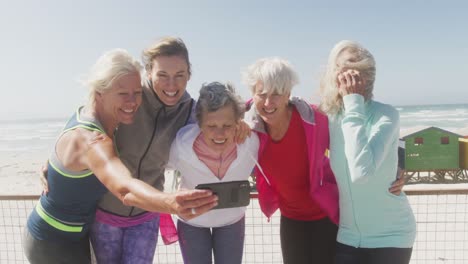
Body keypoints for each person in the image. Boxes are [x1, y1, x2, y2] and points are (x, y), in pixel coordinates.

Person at [24, 49, 217, 264]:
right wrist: (170, 202)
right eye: (123, 94)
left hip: (75, 235)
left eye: (137, 92)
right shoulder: (93, 140)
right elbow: (124, 188)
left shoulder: (89, 113)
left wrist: (51, 163)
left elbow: (66, 153)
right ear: (100, 92)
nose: (133, 102)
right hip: (53, 241)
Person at [319, 40, 416, 264]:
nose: (347, 77)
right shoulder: (330, 117)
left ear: (368, 77)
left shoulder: (386, 114)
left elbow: (361, 173)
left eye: (354, 71)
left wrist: (354, 102)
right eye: (342, 69)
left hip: (392, 235)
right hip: (349, 235)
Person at [242, 57, 339, 264]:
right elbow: (216, 121)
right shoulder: (248, 127)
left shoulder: (314, 119)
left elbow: (348, 149)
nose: (268, 103)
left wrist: (391, 173)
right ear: (253, 94)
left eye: (276, 94)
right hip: (290, 218)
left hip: (326, 215)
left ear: (288, 94)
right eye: (262, 94)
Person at [168, 82, 259, 264]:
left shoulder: (251, 143)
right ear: (199, 124)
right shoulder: (181, 145)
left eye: (227, 125)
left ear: (237, 122)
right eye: (211, 126)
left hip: (232, 221)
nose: (219, 134)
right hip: (192, 222)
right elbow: (154, 167)